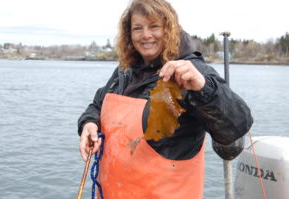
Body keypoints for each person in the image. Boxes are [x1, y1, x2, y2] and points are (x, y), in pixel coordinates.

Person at [78, 0, 253, 198]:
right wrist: (89, 123)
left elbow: (238, 125)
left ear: (169, 29)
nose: (145, 35)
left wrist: (202, 87)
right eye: (137, 28)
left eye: (154, 26)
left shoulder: (191, 72)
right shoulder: (124, 72)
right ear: (129, 34)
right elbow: (97, 105)